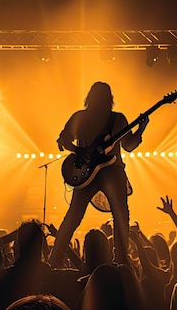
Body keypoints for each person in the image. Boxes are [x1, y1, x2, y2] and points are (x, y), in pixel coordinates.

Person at [49, 81, 149, 267]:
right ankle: (121, 261)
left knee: (73, 216)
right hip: (112, 172)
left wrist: (78, 151)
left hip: (86, 175)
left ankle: (54, 260)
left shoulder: (80, 117)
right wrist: (141, 128)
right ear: (110, 98)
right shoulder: (117, 118)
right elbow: (129, 146)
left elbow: (63, 141)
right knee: (121, 215)